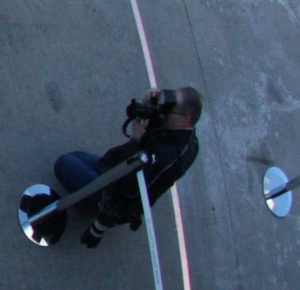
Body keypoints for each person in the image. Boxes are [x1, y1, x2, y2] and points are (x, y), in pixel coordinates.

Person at [24, 86, 203, 249]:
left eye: (170, 107)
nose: (165, 108)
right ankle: (88, 199)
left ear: (185, 120)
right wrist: (149, 105)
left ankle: (92, 204)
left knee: (63, 164)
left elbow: (130, 187)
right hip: (118, 168)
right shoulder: (180, 132)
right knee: (75, 158)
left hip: (118, 189)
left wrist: (135, 140)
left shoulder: (168, 156)